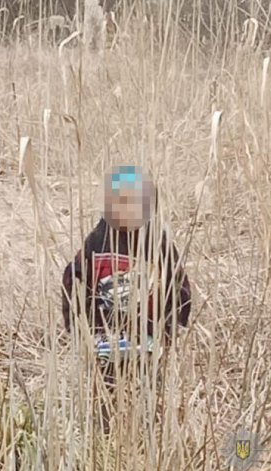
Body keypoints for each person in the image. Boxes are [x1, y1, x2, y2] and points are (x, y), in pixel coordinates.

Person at [61, 165, 191, 431]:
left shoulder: (157, 242)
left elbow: (179, 287)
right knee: (105, 404)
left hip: (149, 342)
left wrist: (172, 326)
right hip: (105, 345)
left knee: (147, 401)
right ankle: (105, 438)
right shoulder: (97, 242)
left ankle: (147, 439)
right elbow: (73, 282)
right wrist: (78, 328)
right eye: (119, 202)